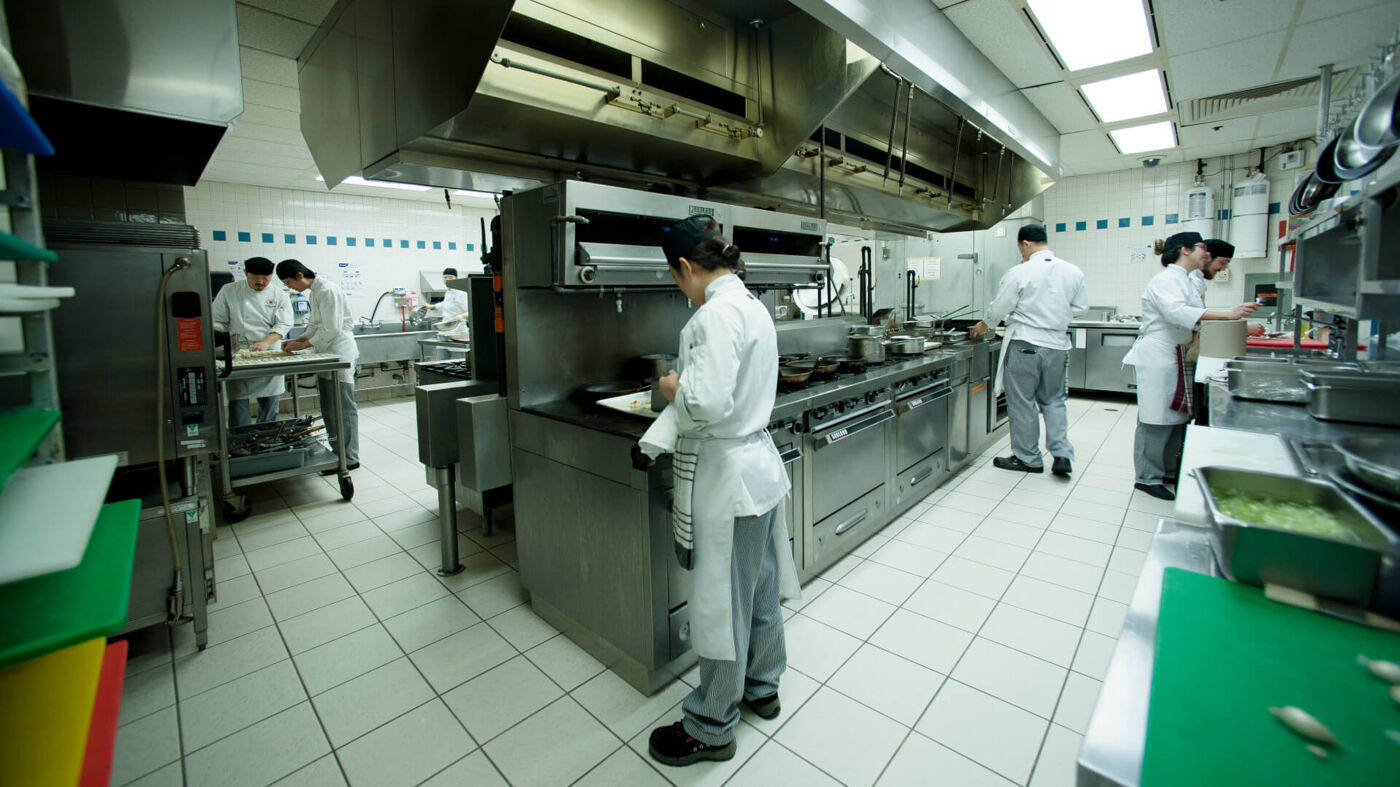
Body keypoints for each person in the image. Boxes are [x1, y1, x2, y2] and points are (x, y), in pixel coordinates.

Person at [644, 216, 800, 767]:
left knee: (721, 601)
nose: (678, 288)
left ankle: (711, 724)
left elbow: (705, 404)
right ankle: (762, 685)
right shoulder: (754, 307)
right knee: (758, 587)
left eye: (675, 278)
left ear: (686, 267)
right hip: (756, 469)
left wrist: (671, 389)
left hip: (726, 478)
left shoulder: (712, 317)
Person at [1123, 232, 1258, 500]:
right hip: (1159, 355)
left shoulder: (1185, 281)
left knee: (1175, 416)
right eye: (1201, 248)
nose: (1206, 254)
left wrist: (1233, 322)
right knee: (1155, 418)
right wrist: (1230, 315)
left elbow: (1196, 318)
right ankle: (1147, 478)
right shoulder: (1166, 280)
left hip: (1176, 353)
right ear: (1184, 250)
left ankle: (1168, 471)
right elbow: (1178, 313)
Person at [969, 225, 1088, 476]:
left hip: (1026, 344)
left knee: (1022, 402)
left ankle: (1028, 458)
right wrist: (1055, 315)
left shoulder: (1020, 272)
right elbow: (1081, 308)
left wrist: (984, 325)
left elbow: (1000, 307)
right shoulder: (1073, 271)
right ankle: (1062, 454)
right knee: (1054, 401)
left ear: (1025, 244)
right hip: (1057, 345)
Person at [277, 259, 361, 471]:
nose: (290, 288)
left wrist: (304, 343)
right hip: (326, 353)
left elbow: (332, 329)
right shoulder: (315, 291)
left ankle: (349, 458)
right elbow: (315, 325)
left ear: (299, 275)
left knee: (342, 407)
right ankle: (337, 453)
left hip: (339, 352)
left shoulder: (327, 290)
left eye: (289, 283)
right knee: (329, 408)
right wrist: (298, 340)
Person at [212, 256, 293, 426]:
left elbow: (284, 323)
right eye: (256, 277)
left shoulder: (279, 294)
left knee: (270, 402)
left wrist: (266, 342)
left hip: (270, 352)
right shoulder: (229, 290)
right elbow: (217, 319)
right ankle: (240, 440)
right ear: (246, 273)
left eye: (266, 277)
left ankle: (266, 438)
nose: (261, 282)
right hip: (239, 353)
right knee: (239, 401)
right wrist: (217, 332)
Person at [1197, 239, 1266, 337]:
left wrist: (1234, 315)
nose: (1223, 268)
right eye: (1222, 262)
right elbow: (1191, 318)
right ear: (1207, 257)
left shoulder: (1198, 281)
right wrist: (1240, 326)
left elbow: (1200, 317)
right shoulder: (1190, 280)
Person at [436, 267, 470, 337]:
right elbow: (446, 304)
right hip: (446, 329)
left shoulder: (461, 293)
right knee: (441, 348)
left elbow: (471, 311)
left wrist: (463, 316)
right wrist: (432, 306)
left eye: (450, 277)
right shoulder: (448, 292)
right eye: (445, 277)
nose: (447, 279)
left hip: (458, 332)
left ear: (456, 279)